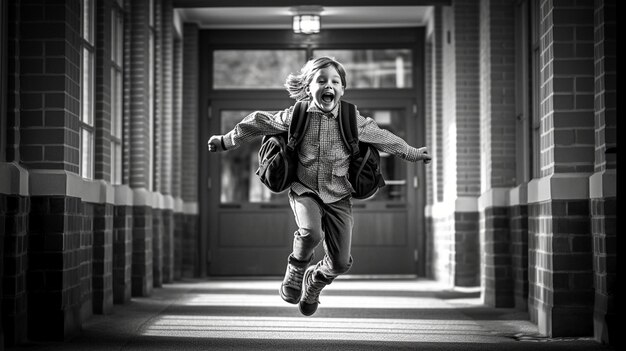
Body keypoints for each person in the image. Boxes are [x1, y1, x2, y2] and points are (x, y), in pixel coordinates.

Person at [207, 56, 431, 316]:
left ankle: (314, 282)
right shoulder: (296, 115)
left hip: (339, 195)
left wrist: (413, 153)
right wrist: (226, 140)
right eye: (321, 80)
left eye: (335, 81)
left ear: (342, 89)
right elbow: (258, 121)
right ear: (308, 87)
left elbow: (385, 139)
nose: (329, 85)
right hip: (305, 189)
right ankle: (296, 268)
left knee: (340, 263)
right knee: (311, 233)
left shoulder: (352, 120)